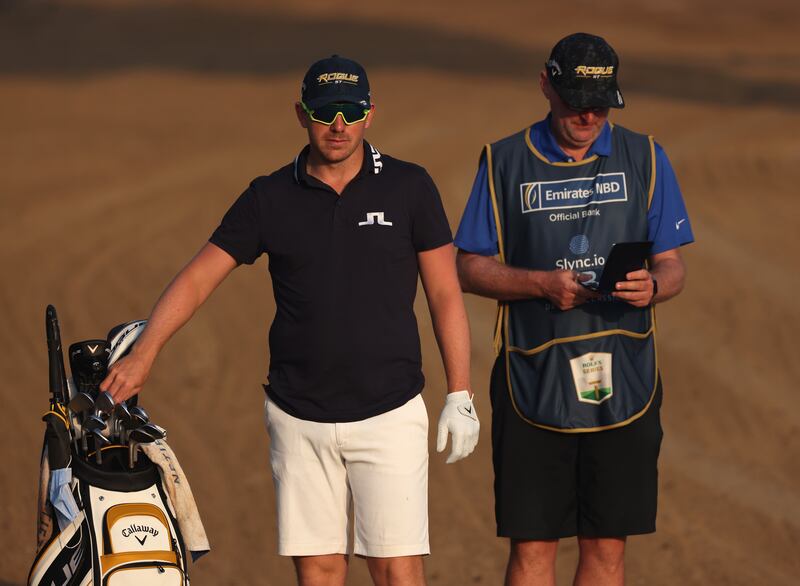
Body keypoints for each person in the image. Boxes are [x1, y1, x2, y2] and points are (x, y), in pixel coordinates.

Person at [101, 55, 480, 586]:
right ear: (301, 115)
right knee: (320, 572)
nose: (339, 125)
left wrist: (459, 394)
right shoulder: (269, 196)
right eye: (326, 113)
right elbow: (197, 278)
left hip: (390, 412)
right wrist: (145, 353)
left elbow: (444, 294)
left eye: (351, 111)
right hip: (298, 416)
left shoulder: (409, 187)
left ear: (371, 114)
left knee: (397, 570)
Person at [454, 33, 694, 586]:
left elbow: (673, 265)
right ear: (545, 85)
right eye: (574, 101)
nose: (587, 115)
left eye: (599, 104)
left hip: (627, 378)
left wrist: (653, 286)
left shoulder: (646, 157)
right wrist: (539, 284)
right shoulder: (503, 161)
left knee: (607, 547)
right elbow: (468, 267)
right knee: (533, 550)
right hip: (531, 377)